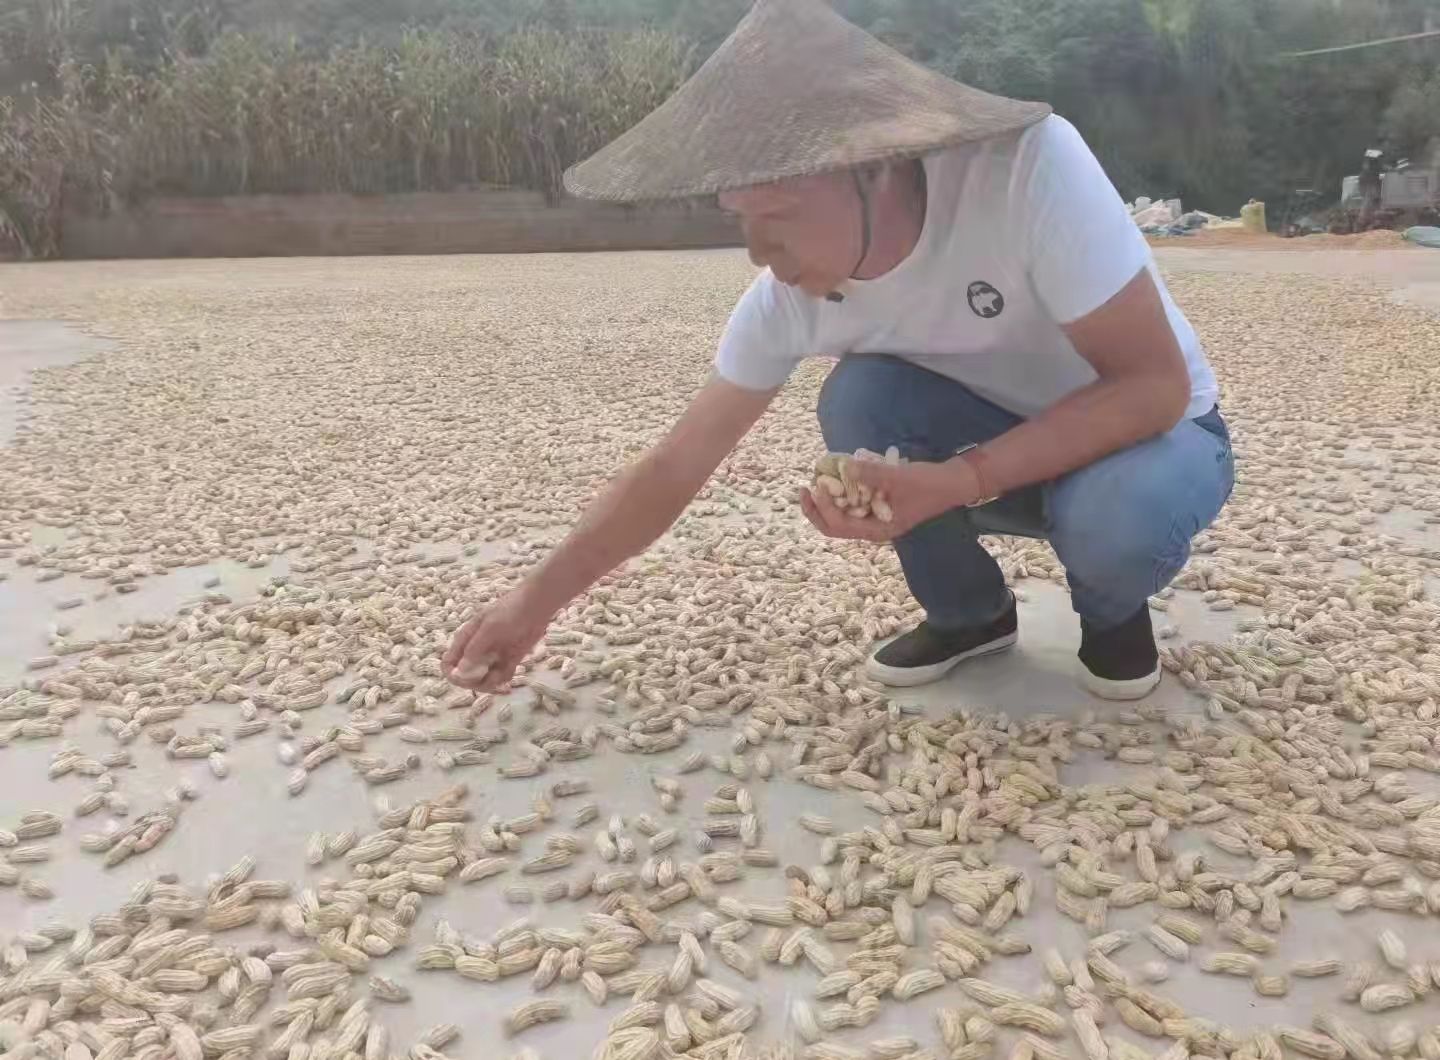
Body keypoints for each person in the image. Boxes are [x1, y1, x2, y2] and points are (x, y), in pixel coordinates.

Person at [443, 0, 1233, 701]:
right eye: (739, 218)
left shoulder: (1027, 169)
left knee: (1118, 517)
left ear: (876, 167)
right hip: (993, 442)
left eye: (780, 213)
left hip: (1151, 440)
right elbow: (675, 466)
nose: (759, 253)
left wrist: (957, 479)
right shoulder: (789, 298)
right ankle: (969, 613)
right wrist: (533, 603)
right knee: (861, 401)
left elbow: (1151, 387)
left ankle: (1111, 610)